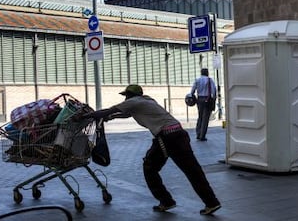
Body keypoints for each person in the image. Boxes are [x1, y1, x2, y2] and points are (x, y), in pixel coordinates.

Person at [84, 84, 221, 216]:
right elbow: (127, 114)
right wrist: (112, 118)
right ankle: (211, 202)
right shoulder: (147, 100)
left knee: (149, 167)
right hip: (179, 133)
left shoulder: (132, 102)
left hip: (166, 138)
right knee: (193, 170)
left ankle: (166, 201)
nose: (125, 98)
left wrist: (85, 116)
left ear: (130, 95)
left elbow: (108, 110)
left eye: (126, 95)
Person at [190, 68, 216, 141]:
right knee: (205, 118)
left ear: (201, 73)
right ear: (207, 73)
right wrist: (213, 99)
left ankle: (198, 133)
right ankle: (202, 135)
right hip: (207, 100)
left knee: (200, 117)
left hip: (199, 99)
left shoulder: (197, 80)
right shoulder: (210, 80)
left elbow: (192, 90)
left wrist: (192, 95)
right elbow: (214, 90)